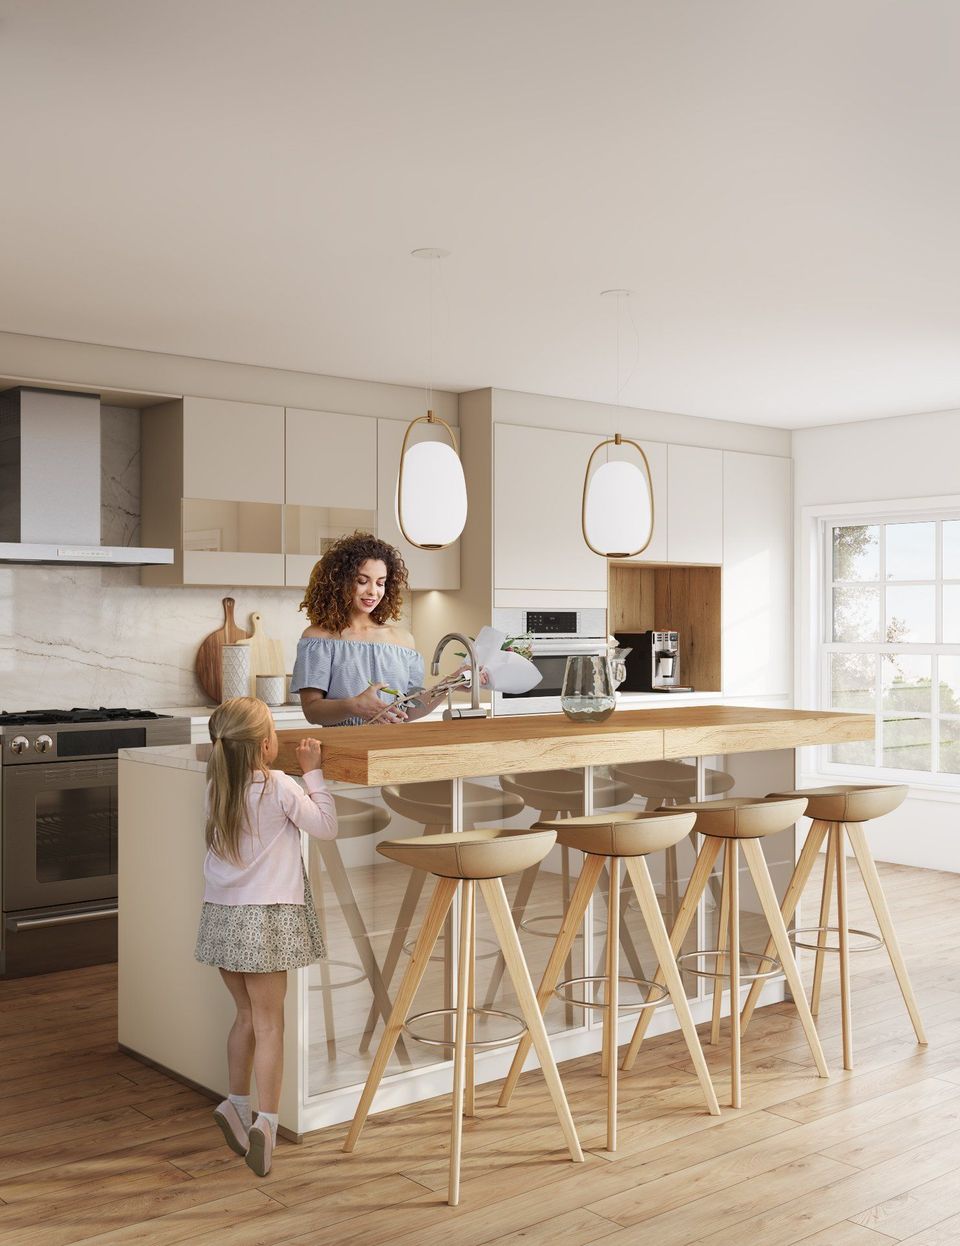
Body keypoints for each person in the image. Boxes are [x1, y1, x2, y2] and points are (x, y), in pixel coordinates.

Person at [194, 697, 337, 1176]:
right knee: (270, 1023)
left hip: (222, 918)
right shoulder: (279, 784)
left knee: (245, 1017)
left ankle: (235, 1103)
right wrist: (312, 773)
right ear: (265, 745)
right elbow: (325, 827)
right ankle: (267, 1124)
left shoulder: (217, 785)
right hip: (268, 920)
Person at [291, 531, 458, 726]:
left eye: (380, 583)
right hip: (343, 750)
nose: (373, 591)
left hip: (393, 750)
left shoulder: (403, 640)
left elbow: (410, 709)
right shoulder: (319, 639)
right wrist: (353, 706)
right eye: (362, 581)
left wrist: (451, 683)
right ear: (340, 582)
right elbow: (312, 711)